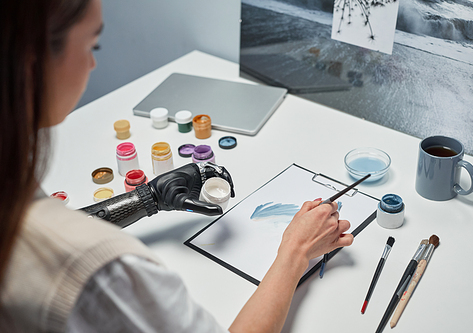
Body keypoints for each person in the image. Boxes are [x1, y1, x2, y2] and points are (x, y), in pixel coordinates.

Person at [0, 0, 354, 332]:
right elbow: (53, 243)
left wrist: (148, 198)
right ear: (33, 63)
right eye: (94, 46)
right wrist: (295, 252)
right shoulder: (101, 273)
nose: (93, 64)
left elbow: (35, 224)